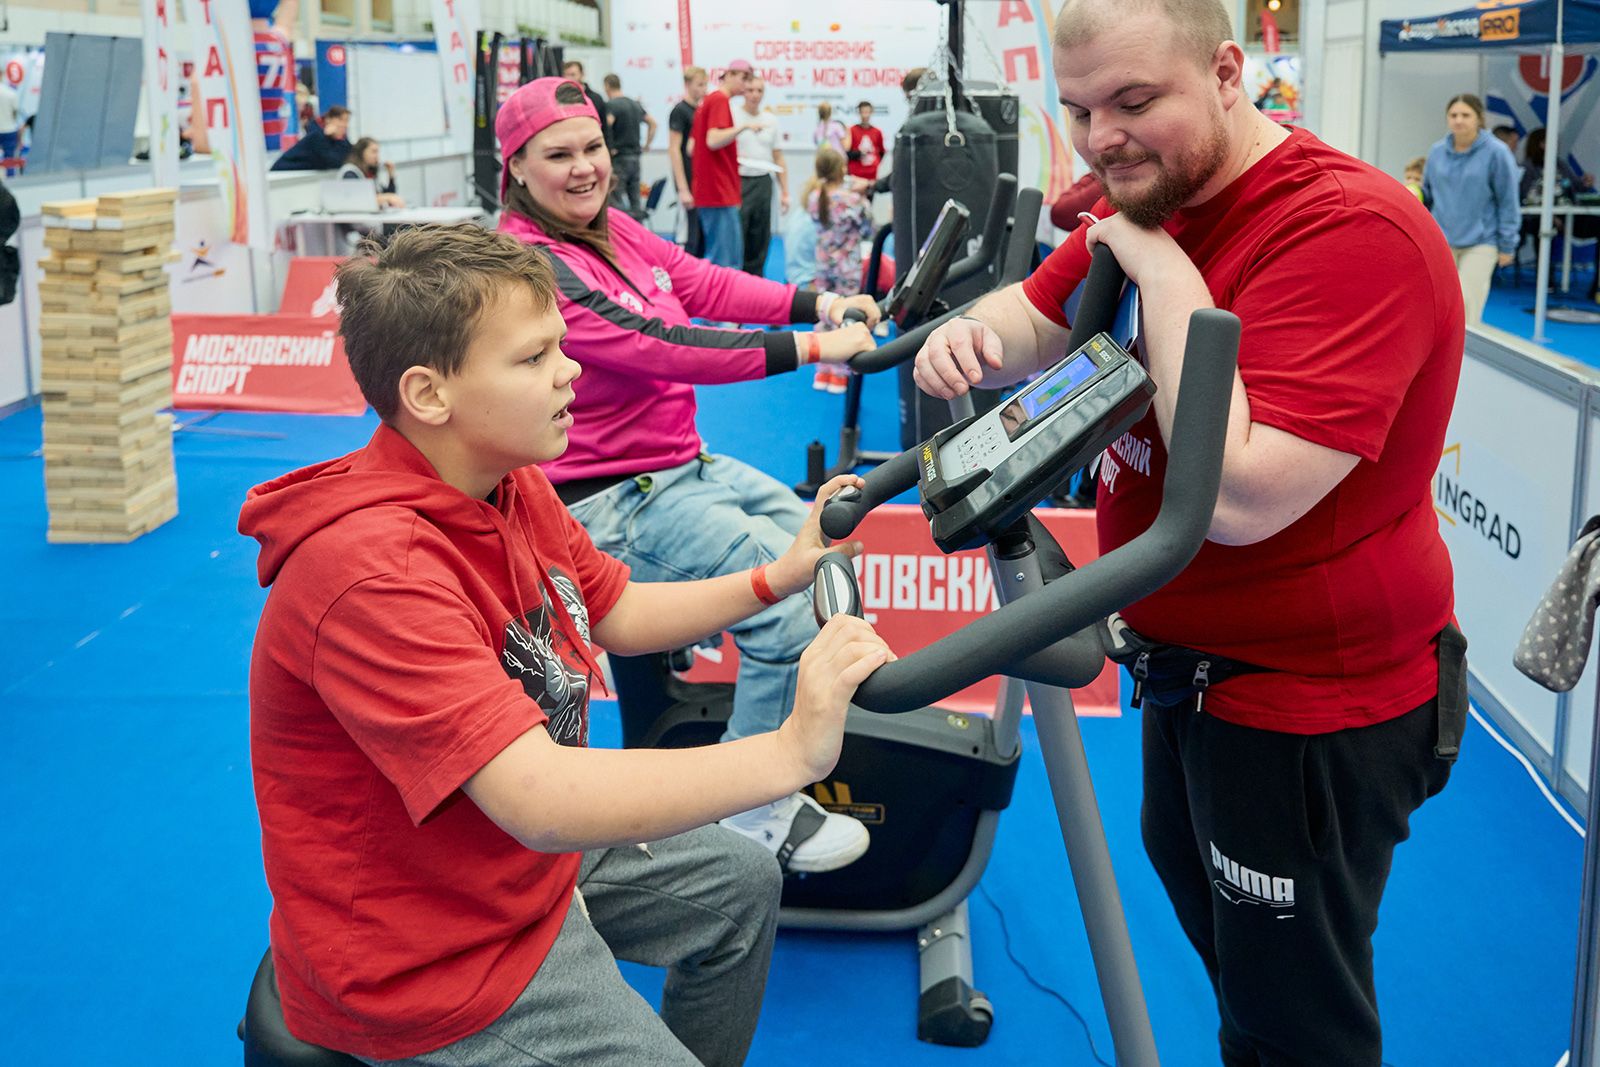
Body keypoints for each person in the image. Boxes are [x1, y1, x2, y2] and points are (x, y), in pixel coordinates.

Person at [912, 0, 1466, 1062]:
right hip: (1183, 667)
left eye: (1132, 100)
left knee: (1295, 1019)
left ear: (1224, 70)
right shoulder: (1151, 185)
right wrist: (973, 339)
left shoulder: (1349, 233)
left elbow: (1239, 497)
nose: (1101, 136)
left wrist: (1162, 269)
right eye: (1077, 110)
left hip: (1307, 700)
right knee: (1232, 965)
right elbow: (1040, 311)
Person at [243, 222, 889, 1067]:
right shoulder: (372, 575)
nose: (571, 368)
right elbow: (540, 800)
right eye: (533, 356)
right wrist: (790, 751)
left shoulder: (510, 484)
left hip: (510, 865)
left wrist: (778, 576)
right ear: (430, 395)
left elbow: (612, 609)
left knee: (741, 884)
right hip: (432, 958)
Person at [495, 77, 886, 868]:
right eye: (558, 154)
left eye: (593, 148)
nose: (583, 168)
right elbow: (658, 343)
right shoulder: (531, 264)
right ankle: (750, 818)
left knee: (831, 558)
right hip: (607, 500)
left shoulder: (617, 232)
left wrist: (819, 303)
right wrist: (814, 348)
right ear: (518, 170)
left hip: (677, 466)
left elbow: (703, 284)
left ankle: (778, 742)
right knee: (787, 608)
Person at [1423, 93, 1519, 323]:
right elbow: (1427, 194)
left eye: (1465, 115)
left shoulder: (1497, 152)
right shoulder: (1436, 152)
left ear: (1479, 119)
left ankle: (1463, 356)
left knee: (1465, 305)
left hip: (1482, 241)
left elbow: (1508, 200)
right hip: (1442, 240)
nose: (1458, 120)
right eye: (1453, 115)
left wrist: (1507, 245)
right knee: (1437, 304)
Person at [805, 147, 874, 394]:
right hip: (847, 268)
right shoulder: (853, 200)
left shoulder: (814, 197)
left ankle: (822, 371)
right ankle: (841, 374)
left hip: (823, 266)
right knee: (846, 316)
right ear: (841, 170)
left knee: (824, 315)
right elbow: (868, 230)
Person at [689, 60, 753, 268]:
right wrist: (742, 128)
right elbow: (713, 140)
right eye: (745, 79)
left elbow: (692, 147)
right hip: (718, 191)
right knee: (726, 260)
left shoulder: (708, 102)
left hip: (713, 190)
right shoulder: (719, 100)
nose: (746, 85)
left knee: (720, 254)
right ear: (731, 75)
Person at [736, 76, 788, 276]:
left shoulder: (770, 120)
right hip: (739, 181)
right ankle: (736, 280)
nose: (755, 95)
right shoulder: (733, 116)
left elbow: (778, 157)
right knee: (739, 232)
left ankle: (757, 281)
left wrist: (785, 192)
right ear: (743, 92)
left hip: (763, 182)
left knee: (761, 235)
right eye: (750, 90)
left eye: (759, 90)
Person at [602, 73, 655, 220]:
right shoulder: (635, 104)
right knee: (635, 202)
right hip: (635, 157)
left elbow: (607, 125)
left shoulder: (612, 105)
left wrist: (607, 147)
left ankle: (621, 238)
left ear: (607, 86)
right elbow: (653, 123)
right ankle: (637, 237)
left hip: (619, 158)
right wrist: (647, 145)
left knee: (617, 202)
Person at [668, 66, 707, 256]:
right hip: (687, 180)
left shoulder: (700, 111)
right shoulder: (679, 111)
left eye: (705, 84)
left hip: (700, 180)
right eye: (699, 84)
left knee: (700, 234)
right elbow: (674, 149)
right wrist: (682, 188)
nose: (703, 89)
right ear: (687, 84)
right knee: (688, 235)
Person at [270, 105, 351, 171]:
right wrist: (326, 135)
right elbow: (332, 161)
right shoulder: (316, 137)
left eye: (346, 121)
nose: (344, 125)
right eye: (340, 120)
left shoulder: (341, 140)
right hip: (282, 175)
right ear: (328, 120)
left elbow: (350, 157)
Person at [338, 137, 404, 208]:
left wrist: (391, 175)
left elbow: (390, 196)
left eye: (378, 152)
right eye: (374, 152)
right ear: (362, 152)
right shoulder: (350, 172)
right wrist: (386, 198)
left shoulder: (370, 172)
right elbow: (359, 200)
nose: (377, 156)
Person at [561, 59, 611, 152]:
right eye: (566, 75)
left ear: (582, 74)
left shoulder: (595, 98)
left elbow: (605, 128)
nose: (569, 78)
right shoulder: (559, 99)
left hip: (592, 147)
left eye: (573, 74)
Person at [845, 100, 885, 184]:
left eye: (867, 112)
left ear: (871, 112)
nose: (865, 115)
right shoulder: (851, 130)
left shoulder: (877, 132)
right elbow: (846, 152)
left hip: (871, 175)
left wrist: (875, 164)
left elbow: (881, 152)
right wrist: (858, 154)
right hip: (855, 174)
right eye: (862, 112)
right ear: (859, 113)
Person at [0, 81, 21, 162]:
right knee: (9, 160)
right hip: (9, 129)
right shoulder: (11, 93)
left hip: (8, 129)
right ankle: (10, 174)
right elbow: (15, 114)